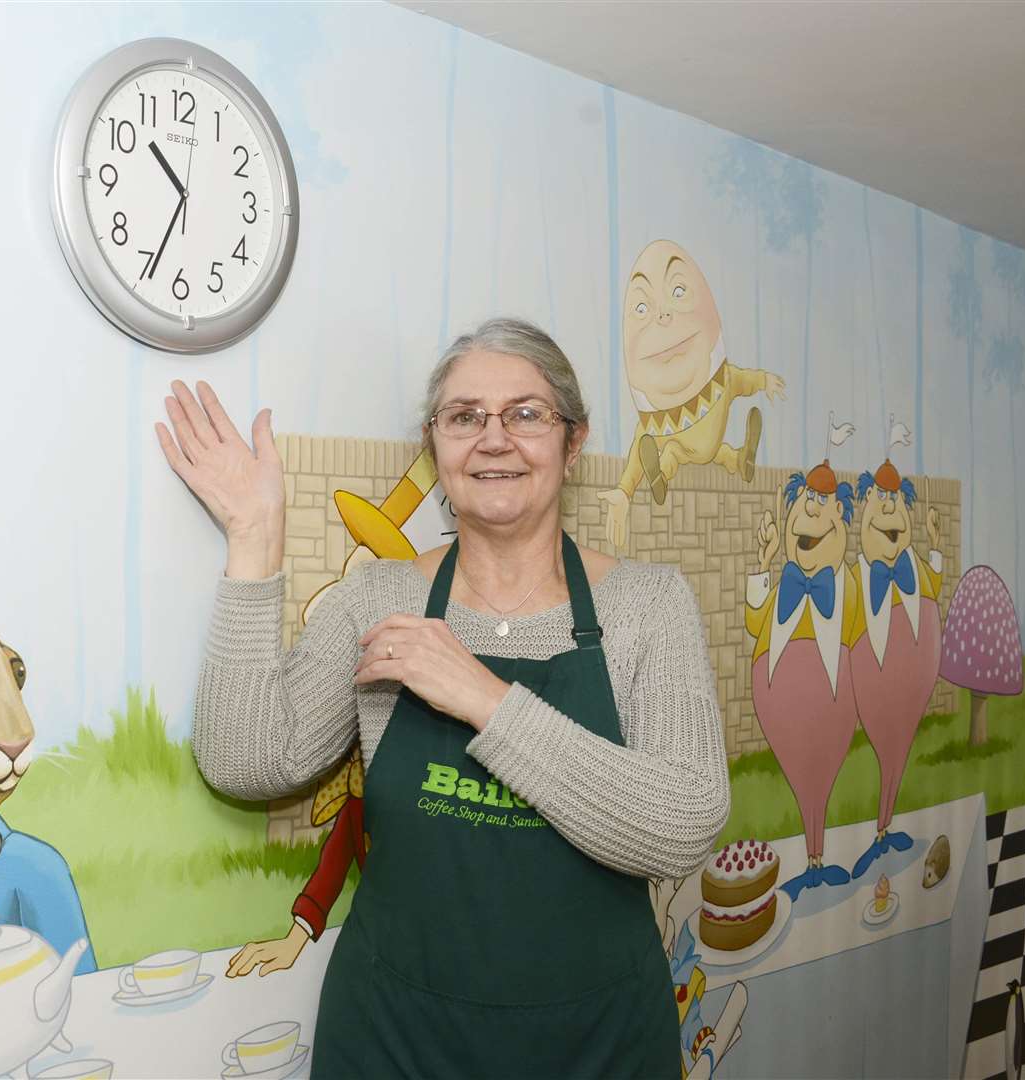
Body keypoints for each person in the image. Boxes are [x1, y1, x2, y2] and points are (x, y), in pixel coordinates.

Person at [156, 317, 730, 1078]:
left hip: (597, 1041)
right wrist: (254, 538)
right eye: (464, 417)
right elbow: (246, 761)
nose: (494, 439)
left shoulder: (648, 606)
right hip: (395, 1037)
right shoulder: (381, 597)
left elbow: (683, 826)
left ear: (573, 440)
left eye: (526, 414)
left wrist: (483, 698)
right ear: (437, 444)